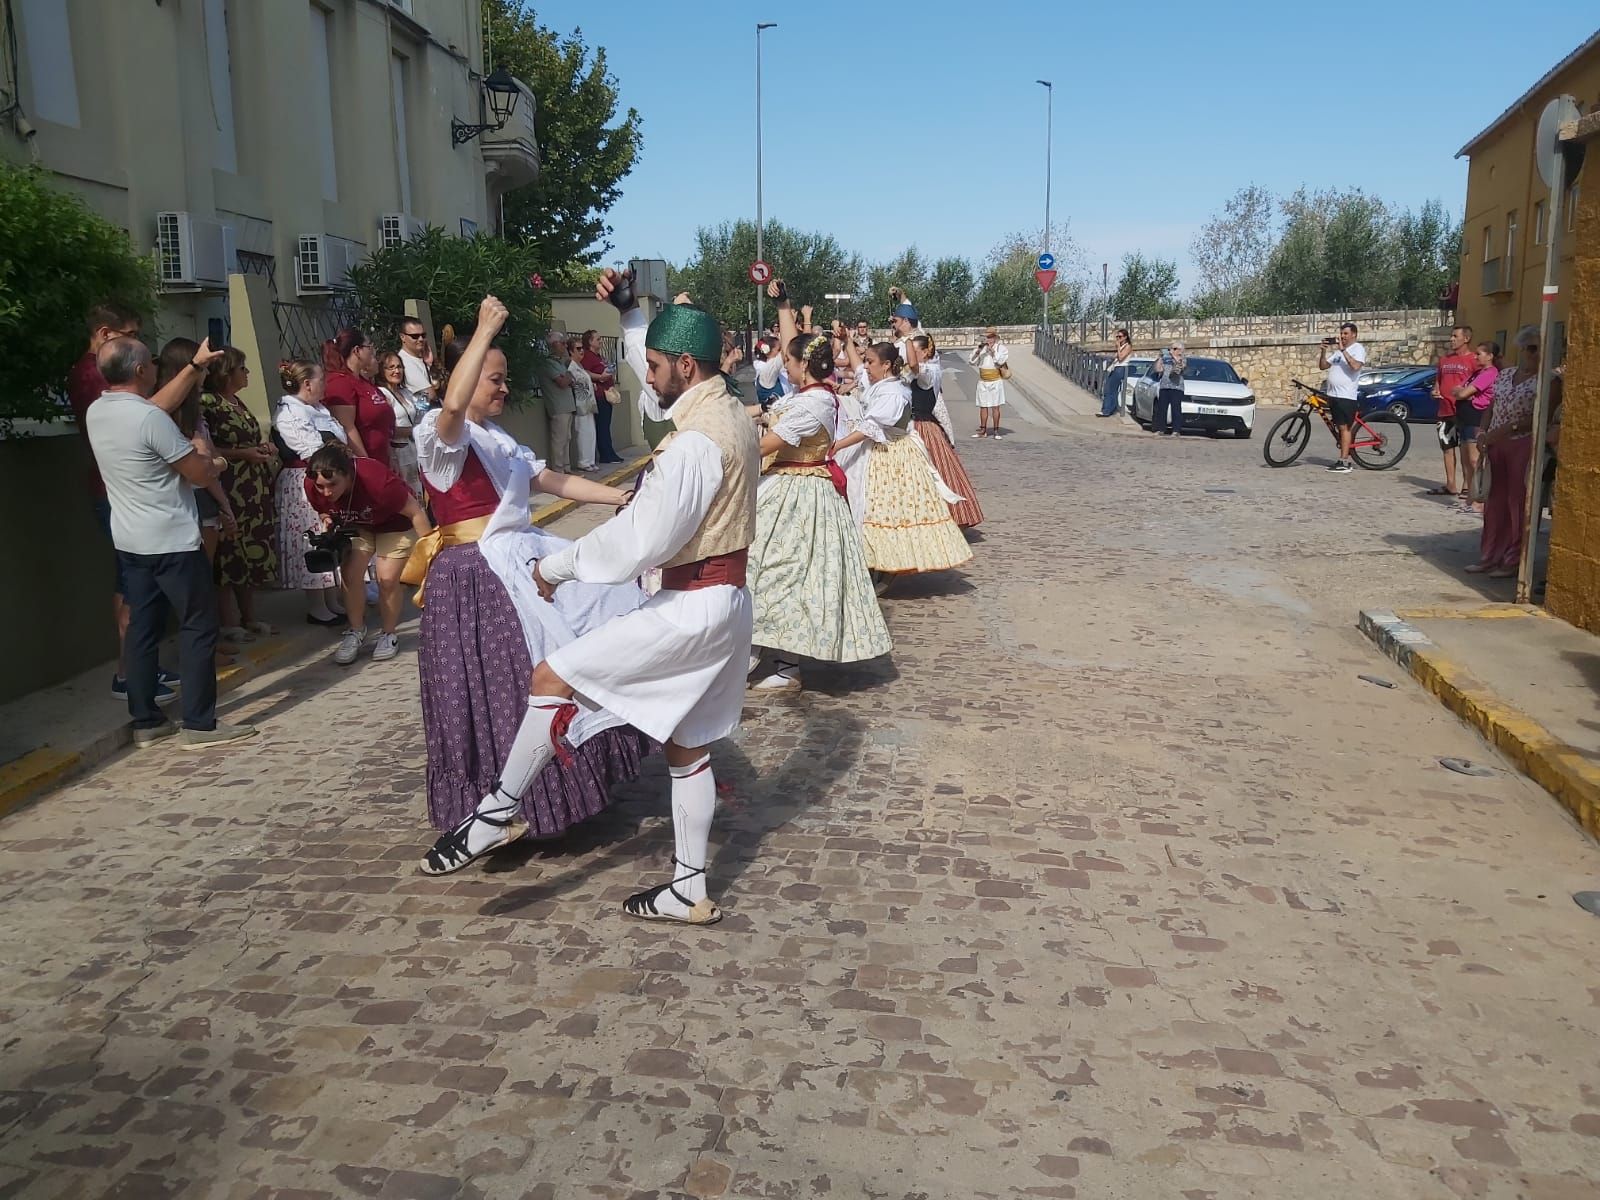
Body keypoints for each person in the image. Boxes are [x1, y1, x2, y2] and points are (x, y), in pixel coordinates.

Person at [420, 278, 762, 931]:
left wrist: (556, 565)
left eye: (657, 369)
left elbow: (638, 542)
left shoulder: (692, 444)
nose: (648, 379)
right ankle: (688, 889)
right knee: (687, 747)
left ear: (684, 368)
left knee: (551, 679)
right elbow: (657, 371)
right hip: (726, 602)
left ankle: (494, 815)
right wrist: (634, 317)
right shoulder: (731, 415)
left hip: (689, 605)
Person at [409, 299, 650, 856]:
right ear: (467, 378)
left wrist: (621, 495)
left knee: (589, 621)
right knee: (497, 685)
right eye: (494, 378)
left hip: (517, 561)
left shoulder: (498, 438)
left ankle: (534, 796)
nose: (501, 388)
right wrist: (486, 327)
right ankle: (495, 805)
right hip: (476, 576)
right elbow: (449, 410)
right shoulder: (441, 436)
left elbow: (554, 481)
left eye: (503, 379)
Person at [85, 336, 257, 749]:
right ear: (142, 371)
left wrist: (194, 366)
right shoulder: (151, 421)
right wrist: (212, 458)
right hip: (172, 541)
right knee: (198, 626)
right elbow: (198, 472)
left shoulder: (100, 411)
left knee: (143, 628)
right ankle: (200, 723)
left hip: (130, 540)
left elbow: (153, 407)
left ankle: (146, 720)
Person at [744, 281, 891, 693]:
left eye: (788, 361)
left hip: (803, 493)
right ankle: (759, 649)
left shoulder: (815, 403)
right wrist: (783, 305)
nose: (783, 362)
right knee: (766, 568)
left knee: (787, 571)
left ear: (802, 367)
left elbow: (766, 445)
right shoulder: (805, 391)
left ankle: (784, 660)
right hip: (785, 487)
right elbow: (796, 346)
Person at [69, 302, 180, 703]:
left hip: (123, 492)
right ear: (103, 335)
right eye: (128, 336)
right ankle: (129, 674)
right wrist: (191, 370)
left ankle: (137, 667)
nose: (135, 346)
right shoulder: (92, 376)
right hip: (116, 493)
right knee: (133, 586)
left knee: (136, 584)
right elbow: (144, 414)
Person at [834, 334, 972, 576]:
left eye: (870, 362)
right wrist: (847, 342)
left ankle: (885, 561)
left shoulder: (894, 392)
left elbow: (870, 428)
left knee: (886, 509)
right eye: (866, 361)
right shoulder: (881, 385)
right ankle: (872, 559)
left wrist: (837, 446)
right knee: (869, 508)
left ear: (886, 365)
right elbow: (857, 371)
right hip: (881, 449)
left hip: (893, 454)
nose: (866, 366)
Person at [305, 443, 432, 663]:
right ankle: (356, 630)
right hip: (359, 526)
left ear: (348, 474)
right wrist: (327, 519)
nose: (327, 492)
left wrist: (432, 554)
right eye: (321, 487)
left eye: (333, 485)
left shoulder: (377, 482)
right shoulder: (311, 484)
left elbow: (415, 512)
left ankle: (388, 633)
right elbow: (323, 508)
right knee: (351, 573)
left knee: (387, 578)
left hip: (396, 524)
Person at [200, 348, 280, 643]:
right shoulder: (208, 403)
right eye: (242, 368)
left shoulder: (237, 402)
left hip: (253, 489)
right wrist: (243, 454)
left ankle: (250, 616)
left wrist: (262, 448)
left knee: (252, 550)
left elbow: (249, 438)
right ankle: (229, 621)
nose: (247, 373)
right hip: (229, 486)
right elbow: (207, 449)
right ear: (226, 372)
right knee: (229, 553)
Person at [273, 359, 348, 626]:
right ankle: (316, 605)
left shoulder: (317, 409)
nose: (325, 385)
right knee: (312, 539)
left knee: (328, 536)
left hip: (326, 475)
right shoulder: (290, 413)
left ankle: (332, 598)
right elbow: (311, 450)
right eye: (321, 380)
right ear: (307, 384)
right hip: (305, 481)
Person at [1468, 327, 1542, 578]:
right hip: (1496, 442)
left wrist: (1505, 429)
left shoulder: (1547, 380)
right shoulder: (1506, 374)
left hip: (1522, 443)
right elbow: (1491, 406)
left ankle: (1512, 559)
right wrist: (1482, 432)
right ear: (1521, 349)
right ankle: (1490, 555)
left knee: (1517, 503)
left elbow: (1537, 417)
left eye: (1538, 348)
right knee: (1494, 502)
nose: (1534, 354)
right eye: (1530, 348)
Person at [905, 334, 983, 528]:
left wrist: (906, 340)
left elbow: (916, 369)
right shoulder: (918, 370)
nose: (910, 356)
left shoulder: (930, 370)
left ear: (925, 352)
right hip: (910, 424)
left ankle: (948, 516)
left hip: (923, 425)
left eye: (914, 351)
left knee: (938, 470)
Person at [888, 298, 957, 443]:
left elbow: (916, 367)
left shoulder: (918, 342)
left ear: (905, 321)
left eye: (895, 321)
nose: (892, 324)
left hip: (922, 408)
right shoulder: (902, 341)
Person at [323, 328, 395, 468]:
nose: (372, 351)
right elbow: (347, 428)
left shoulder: (363, 381)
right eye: (369, 347)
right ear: (357, 351)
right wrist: (367, 465)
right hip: (363, 464)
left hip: (383, 460)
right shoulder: (340, 383)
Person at [1428, 325, 1475, 499]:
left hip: (1463, 410)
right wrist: (1435, 391)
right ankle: (1451, 484)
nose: (1451, 339)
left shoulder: (1473, 360)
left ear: (1466, 339)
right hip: (1444, 410)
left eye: (1455, 336)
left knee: (1465, 449)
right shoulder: (1444, 360)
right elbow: (1438, 382)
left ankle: (1466, 485)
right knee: (1447, 448)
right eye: (1451, 336)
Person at [1453, 341, 1500, 515]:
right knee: (1466, 460)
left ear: (1490, 356)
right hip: (1465, 416)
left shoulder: (1490, 373)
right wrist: (1462, 393)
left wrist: (1463, 393)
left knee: (1475, 461)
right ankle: (1469, 499)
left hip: (1476, 416)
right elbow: (1455, 389)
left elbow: (1463, 392)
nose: (1476, 356)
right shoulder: (1477, 373)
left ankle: (1478, 500)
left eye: (1479, 354)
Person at [1318, 322, 1366, 473]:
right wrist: (1323, 352)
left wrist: (1343, 350)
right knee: (1340, 426)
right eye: (1341, 334)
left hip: (1346, 396)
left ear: (1354, 335)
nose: (1342, 337)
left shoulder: (1357, 349)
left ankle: (1344, 462)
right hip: (1333, 395)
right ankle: (1342, 458)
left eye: (1345, 334)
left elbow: (1356, 366)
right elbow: (1323, 366)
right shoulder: (1338, 352)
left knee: (1344, 428)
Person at [376, 350, 426, 494]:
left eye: (399, 367)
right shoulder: (382, 394)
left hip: (415, 449)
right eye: (391, 367)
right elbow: (387, 428)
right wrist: (414, 430)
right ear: (381, 370)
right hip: (400, 452)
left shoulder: (406, 392)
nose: (397, 371)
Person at [578, 330, 624, 465]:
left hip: (606, 393)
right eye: (598, 339)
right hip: (599, 395)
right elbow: (584, 372)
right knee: (602, 426)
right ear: (590, 341)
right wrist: (600, 377)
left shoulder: (599, 356)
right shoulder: (587, 356)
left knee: (606, 425)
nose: (601, 341)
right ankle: (605, 454)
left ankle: (610, 452)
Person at [538, 330, 579, 474]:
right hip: (558, 407)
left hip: (567, 406)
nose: (565, 347)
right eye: (563, 344)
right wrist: (568, 376)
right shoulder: (548, 363)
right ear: (555, 344)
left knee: (567, 438)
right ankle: (558, 470)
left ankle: (566, 467)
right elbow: (562, 381)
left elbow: (571, 380)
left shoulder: (559, 363)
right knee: (559, 440)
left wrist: (568, 377)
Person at [565, 337, 600, 472]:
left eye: (582, 348)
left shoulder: (580, 366)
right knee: (583, 434)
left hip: (588, 404)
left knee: (591, 433)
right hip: (580, 405)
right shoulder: (571, 367)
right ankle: (583, 461)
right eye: (578, 349)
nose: (581, 351)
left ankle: (590, 460)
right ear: (571, 351)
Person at [969, 327, 1010, 438]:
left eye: (990, 337)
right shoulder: (981, 348)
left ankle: (996, 430)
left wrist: (992, 353)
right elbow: (971, 361)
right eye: (986, 337)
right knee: (983, 406)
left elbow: (1000, 361)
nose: (988, 340)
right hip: (983, 380)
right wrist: (978, 352)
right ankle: (983, 430)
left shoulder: (1001, 349)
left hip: (995, 380)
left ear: (995, 338)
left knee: (995, 406)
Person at [397, 316, 437, 407]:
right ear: (402, 337)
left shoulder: (422, 359)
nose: (421, 339)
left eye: (423, 335)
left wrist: (430, 364)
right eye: (415, 336)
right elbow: (431, 394)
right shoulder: (404, 362)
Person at [1151, 342, 1187, 436]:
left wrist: (1174, 357)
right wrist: (1160, 358)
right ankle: (1161, 429)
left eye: (1174, 349)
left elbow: (1179, 369)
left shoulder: (1183, 359)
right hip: (1164, 386)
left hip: (1176, 387)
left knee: (1176, 409)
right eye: (1171, 348)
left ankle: (1176, 430)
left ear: (1180, 350)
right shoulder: (1166, 359)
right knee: (1162, 409)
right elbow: (1158, 370)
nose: (1172, 350)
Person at [1100, 328, 1134, 418]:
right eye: (1117, 336)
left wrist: (1118, 347)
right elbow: (1115, 357)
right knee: (1109, 389)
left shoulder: (1128, 346)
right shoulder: (1122, 346)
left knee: (1111, 389)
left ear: (1125, 337)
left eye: (1120, 336)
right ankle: (1108, 409)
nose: (1118, 338)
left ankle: (1107, 410)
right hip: (1115, 368)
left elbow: (1121, 358)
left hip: (1120, 368)